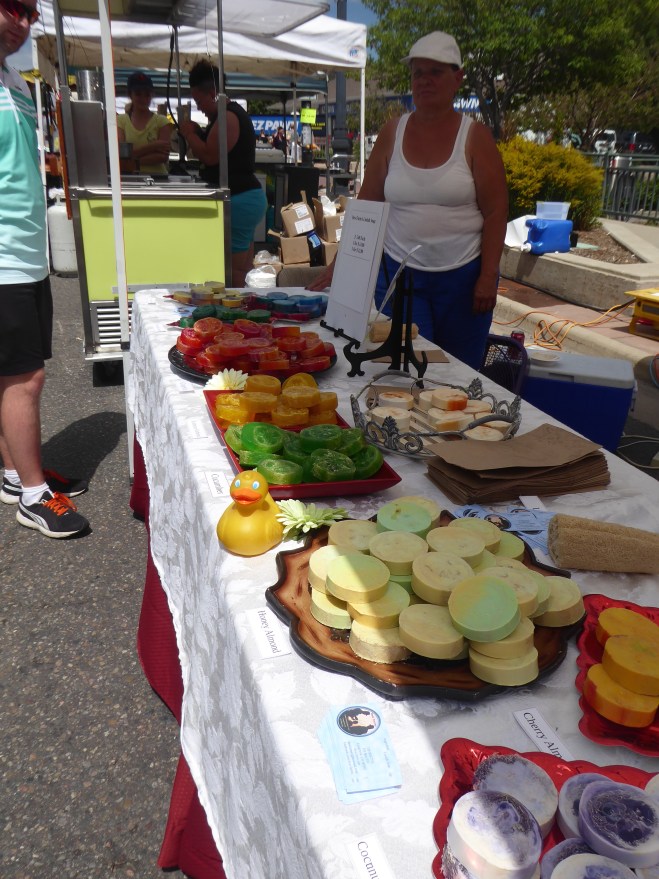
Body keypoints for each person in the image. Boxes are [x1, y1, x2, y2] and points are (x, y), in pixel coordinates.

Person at [308, 31, 508, 370]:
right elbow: (367, 204)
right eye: (418, 73)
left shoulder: (475, 137)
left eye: (436, 72)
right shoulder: (392, 133)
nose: (425, 81)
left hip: (464, 280)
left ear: (457, 78)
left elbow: (496, 210)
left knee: (457, 373)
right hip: (399, 275)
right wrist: (340, 264)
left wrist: (488, 275)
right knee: (403, 370)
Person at [0, 0, 89, 537]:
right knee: (25, 379)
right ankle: (35, 496)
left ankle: (15, 472)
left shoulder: (13, 77)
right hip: (3, 255)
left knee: (11, 374)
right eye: (12, 7)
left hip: (27, 253)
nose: (24, 21)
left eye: (31, 13)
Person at [179, 60, 267, 287]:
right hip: (244, 199)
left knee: (234, 273)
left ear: (213, 93)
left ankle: (237, 318)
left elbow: (210, 155)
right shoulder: (226, 116)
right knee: (242, 270)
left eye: (199, 101)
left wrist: (190, 134)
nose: (199, 108)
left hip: (239, 200)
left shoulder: (227, 116)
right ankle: (243, 316)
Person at [117, 71, 173, 176]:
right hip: (131, 180)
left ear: (152, 95)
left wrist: (132, 160)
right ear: (130, 95)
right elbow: (121, 156)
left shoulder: (162, 121)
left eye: (147, 94)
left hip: (158, 179)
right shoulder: (120, 121)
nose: (143, 99)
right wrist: (153, 146)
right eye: (138, 94)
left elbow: (163, 157)